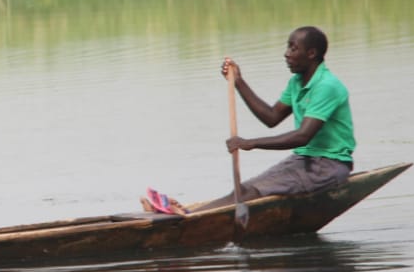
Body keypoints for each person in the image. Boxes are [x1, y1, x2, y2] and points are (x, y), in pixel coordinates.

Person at [144, 26, 355, 214]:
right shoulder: (297, 82)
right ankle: (188, 213)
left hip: (328, 165)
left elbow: (303, 136)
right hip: (305, 160)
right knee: (243, 191)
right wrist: (238, 82)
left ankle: (187, 217)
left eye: (293, 48)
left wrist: (249, 143)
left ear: (311, 53)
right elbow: (272, 117)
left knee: (248, 192)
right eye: (288, 47)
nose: (286, 54)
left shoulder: (326, 86)